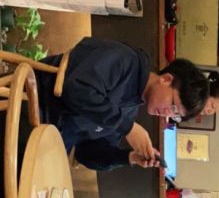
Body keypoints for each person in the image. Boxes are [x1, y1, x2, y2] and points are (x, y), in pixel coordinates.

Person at [36, 37, 209, 171]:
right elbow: (76, 89)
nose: (167, 113)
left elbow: (85, 154)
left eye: (174, 115)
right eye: (172, 105)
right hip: (33, 103)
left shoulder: (130, 109)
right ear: (166, 79)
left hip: (45, 141)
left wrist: (129, 157)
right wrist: (127, 127)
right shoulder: (125, 61)